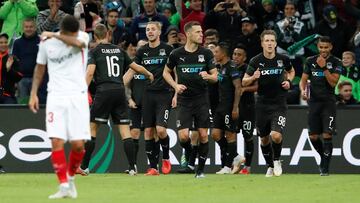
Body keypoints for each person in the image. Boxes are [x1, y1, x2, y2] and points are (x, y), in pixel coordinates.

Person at [78, 23, 154, 176]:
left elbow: (90, 73)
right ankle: (133, 167)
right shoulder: (119, 50)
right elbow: (135, 67)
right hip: (119, 91)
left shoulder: (94, 52)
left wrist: (81, 91)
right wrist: (149, 74)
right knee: (125, 131)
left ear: (95, 36)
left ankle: (84, 167)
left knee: (92, 129)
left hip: (104, 91)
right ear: (108, 34)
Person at [29, 15, 90, 199]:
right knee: (56, 141)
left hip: (77, 97)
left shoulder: (83, 37)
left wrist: (55, 36)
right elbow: (40, 68)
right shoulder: (47, 44)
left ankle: (70, 179)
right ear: (65, 30)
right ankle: (63, 185)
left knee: (78, 145)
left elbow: (79, 44)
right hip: (55, 96)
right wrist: (33, 93)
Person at [163, 21, 218, 178]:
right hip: (184, 100)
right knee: (183, 137)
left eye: (201, 32)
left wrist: (209, 76)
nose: (201, 34)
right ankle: (189, 151)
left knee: (203, 135)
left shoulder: (206, 53)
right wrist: (175, 85)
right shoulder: (176, 54)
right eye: (198, 32)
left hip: (201, 99)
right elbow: (166, 73)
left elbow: (215, 76)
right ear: (188, 34)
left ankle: (199, 171)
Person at [242, 29, 295, 177]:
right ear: (262, 43)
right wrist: (253, 77)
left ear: (276, 43)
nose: (270, 43)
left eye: (272, 41)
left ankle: (277, 160)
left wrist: (288, 81)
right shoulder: (255, 61)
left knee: (276, 135)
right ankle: (270, 165)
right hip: (261, 104)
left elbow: (291, 72)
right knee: (264, 139)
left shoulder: (283, 59)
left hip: (279, 103)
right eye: (267, 41)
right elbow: (244, 81)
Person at [126, 21, 174, 175]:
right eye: (147, 29)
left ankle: (166, 157)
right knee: (148, 132)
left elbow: (176, 71)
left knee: (160, 130)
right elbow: (132, 70)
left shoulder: (168, 49)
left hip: (164, 93)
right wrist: (117, 84)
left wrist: (177, 93)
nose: (150, 32)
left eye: (153, 29)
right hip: (148, 95)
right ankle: (153, 167)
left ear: (159, 32)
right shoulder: (142, 51)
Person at [299, 36, 342, 176]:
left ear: (331, 47)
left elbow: (333, 83)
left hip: (328, 103)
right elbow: (303, 80)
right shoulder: (310, 61)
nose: (323, 50)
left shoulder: (336, 62)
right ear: (318, 47)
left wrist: (324, 67)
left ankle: (325, 168)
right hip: (314, 103)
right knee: (313, 136)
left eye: (326, 47)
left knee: (327, 134)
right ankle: (324, 158)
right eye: (321, 47)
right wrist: (303, 90)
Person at [211, 42, 245, 175]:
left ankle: (227, 166)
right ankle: (236, 156)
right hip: (220, 106)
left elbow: (238, 87)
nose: (214, 54)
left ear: (223, 53)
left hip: (229, 107)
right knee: (215, 134)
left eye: (216, 52)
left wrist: (235, 107)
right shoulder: (220, 67)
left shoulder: (231, 67)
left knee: (230, 135)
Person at [232, 44, 257, 174]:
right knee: (230, 135)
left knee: (247, 136)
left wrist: (244, 89)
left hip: (247, 107)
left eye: (239, 55)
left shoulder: (248, 69)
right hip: (233, 107)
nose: (236, 57)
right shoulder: (230, 68)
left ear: (245, 57)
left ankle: (247, 167)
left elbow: (257, 86)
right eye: (234, 54)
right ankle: (233, 161)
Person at [12, 18, 41, 104]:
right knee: (22, 105)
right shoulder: (17, 42)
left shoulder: (41, 40)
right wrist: (15, 80)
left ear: (35, 28)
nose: (28, 29)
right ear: (23, 28)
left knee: (37, 104)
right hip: (21, 80)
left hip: (37, 79)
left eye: (31, 27)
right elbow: (14, 62)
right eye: (26, 27)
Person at [0, 33, 23, 104]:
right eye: (1, 42)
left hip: (8, 96)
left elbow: (19, 77)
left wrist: (9, 70)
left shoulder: (13, 58)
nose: (3, 44)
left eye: (5, 42)